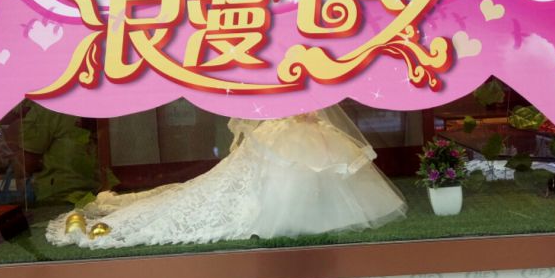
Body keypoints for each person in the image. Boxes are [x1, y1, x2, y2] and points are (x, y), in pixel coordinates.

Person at [45, 109, 407, 248]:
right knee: (249, 183)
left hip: (306, 127)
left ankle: (301, 214)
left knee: (317, 168)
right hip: (282, 128)